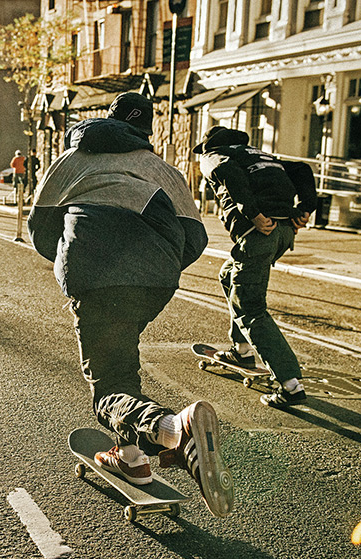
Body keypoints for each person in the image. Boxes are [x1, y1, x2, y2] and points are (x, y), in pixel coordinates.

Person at [27, 92, 234, 518]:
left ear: (109, 120)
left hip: (95, 273)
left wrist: (70, 258)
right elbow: (196, 238)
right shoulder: (162, 170)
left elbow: (39, 226)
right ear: (148, 130)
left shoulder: (71, 159)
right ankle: (132, 459)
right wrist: (157, 266)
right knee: (122, 357)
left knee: (108, 384)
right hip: (154, 278)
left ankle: (174, 429)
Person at [194, 125, 317, 408]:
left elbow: (228, 172)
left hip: (259, 232)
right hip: (283, 232)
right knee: (228, 275)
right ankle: (241, 350)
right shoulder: (260, 155)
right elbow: (301, 169)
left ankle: (290, 385)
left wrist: (252, 212)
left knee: (250, 307)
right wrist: (305, 207)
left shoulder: (214, 155)